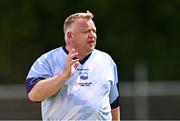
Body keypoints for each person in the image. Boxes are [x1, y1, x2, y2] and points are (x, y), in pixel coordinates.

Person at [25, 10, 120, 121]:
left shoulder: (106, 61)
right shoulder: (48, 60)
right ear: (70, 36)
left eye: (94, 31)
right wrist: (64, 75)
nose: (92, 35)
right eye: (86, 31)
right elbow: (34, 95)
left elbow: (113, 103)